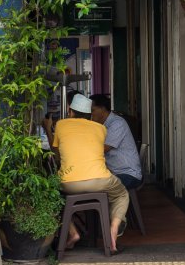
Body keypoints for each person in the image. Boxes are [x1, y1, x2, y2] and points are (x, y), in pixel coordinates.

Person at [52, 94, 129, 253]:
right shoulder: (100, 128)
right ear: (90, 115)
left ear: (70, 111)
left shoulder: (60, 125)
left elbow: (58, 156)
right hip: (99, 180)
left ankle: (73, 233)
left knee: (53, 196)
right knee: (121, 194)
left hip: (69, 183)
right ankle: (113, 229)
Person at [90, 94, 143, 189]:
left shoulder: (117, 123)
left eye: (92, 110)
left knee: (95, 187)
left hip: (128, 174)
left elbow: (103, 149)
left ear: (102, 109)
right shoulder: (101, 126)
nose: (90, 114)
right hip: (115, 173)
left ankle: (115, 204)